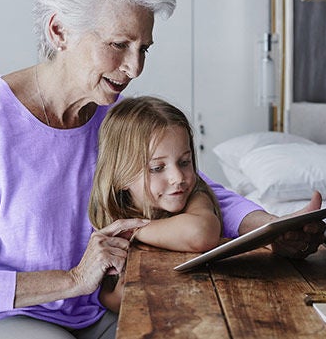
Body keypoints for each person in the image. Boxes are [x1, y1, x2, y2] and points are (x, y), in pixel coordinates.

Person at [0, 0, 324, 339]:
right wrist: (71, 279)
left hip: (79, 309)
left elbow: (189, 184)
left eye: (144, 48)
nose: (134, 68)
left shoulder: (110, 117)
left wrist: (268, 227)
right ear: (59, 31)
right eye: (119, 44)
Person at [88, 96, 224, 311]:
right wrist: (120, 297)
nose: (178, 177)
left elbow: (200, 234)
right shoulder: (111, 216)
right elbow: (105, 296)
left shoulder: (195, 197)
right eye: (157, 168)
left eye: (184, 162)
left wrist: (133, 229)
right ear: (121, 176)